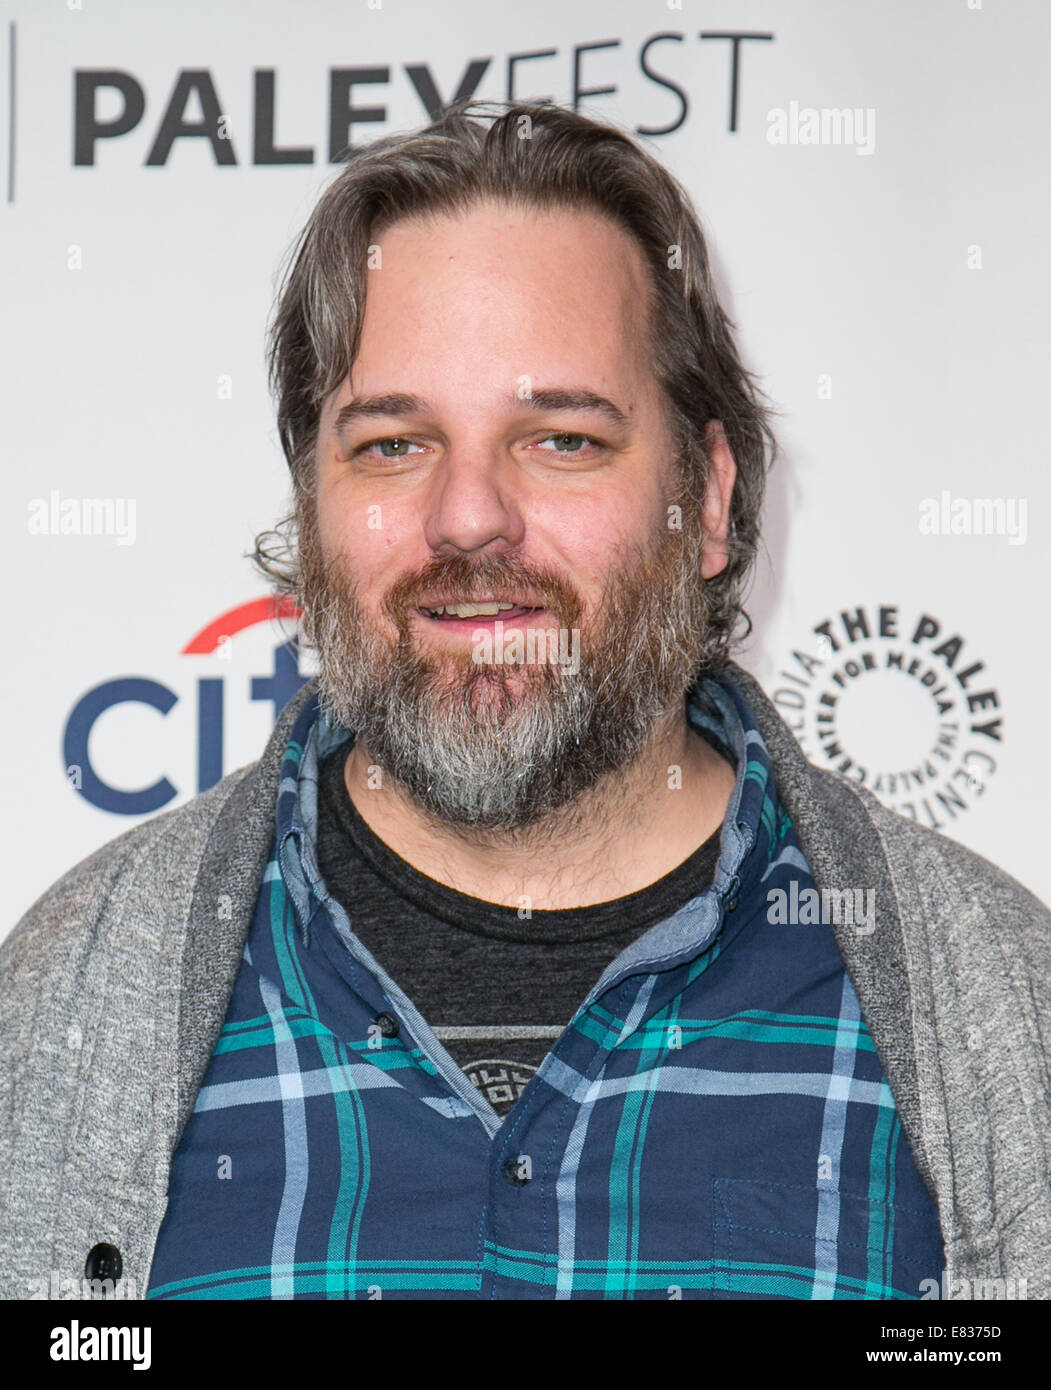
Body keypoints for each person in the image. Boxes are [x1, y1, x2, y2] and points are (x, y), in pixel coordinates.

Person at [2, 101, 1048, 1303]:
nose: (466, 517)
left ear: (705, 500)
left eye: (559, 439)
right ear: (312, 501)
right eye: (392, 445)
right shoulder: (62, 1011)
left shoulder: (1000, 1011)